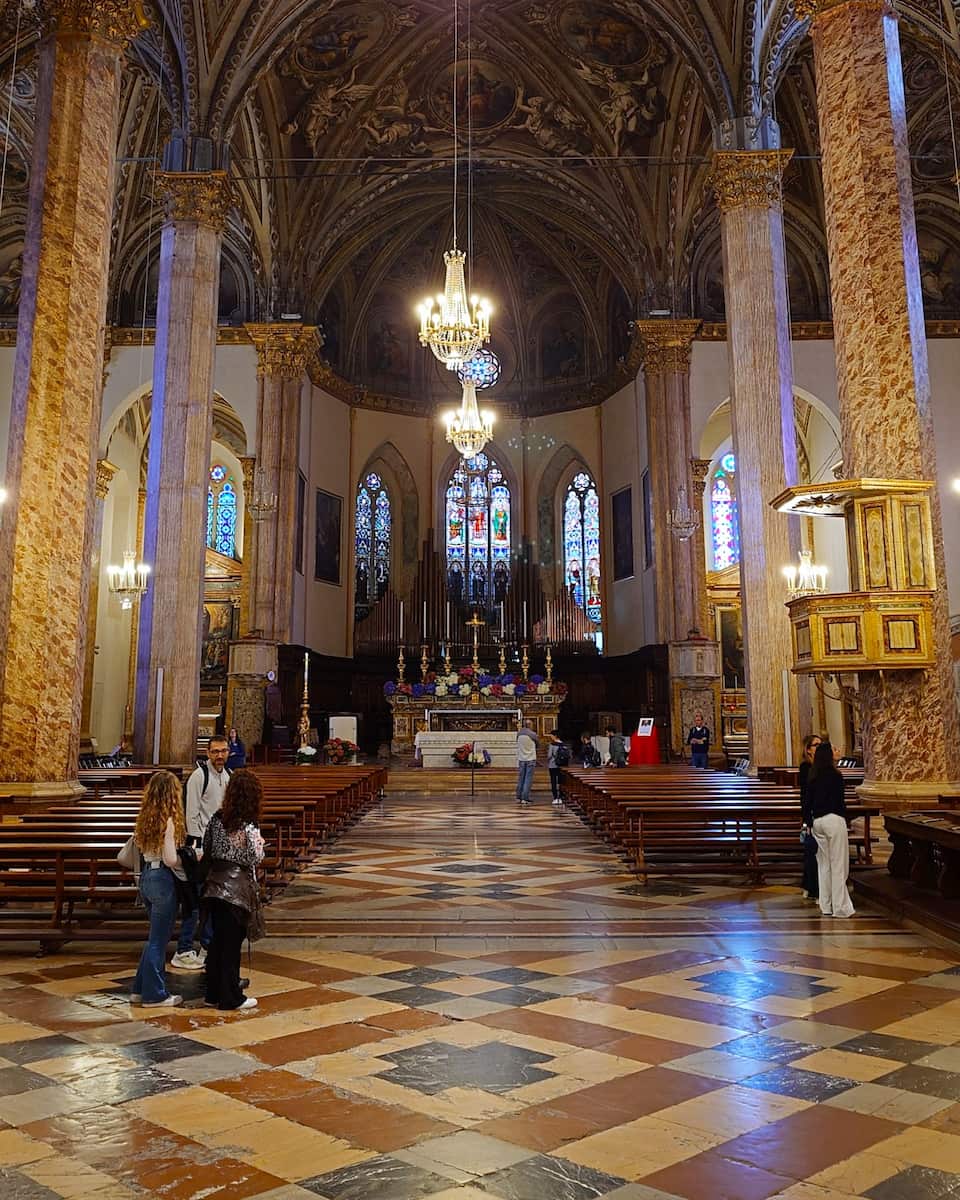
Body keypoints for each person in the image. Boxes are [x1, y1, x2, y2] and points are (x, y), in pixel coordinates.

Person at [201, 769, 266, 1010]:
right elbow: (254, 856)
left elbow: (207, 846)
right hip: (237, 888)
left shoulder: (217, 819)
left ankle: (212, 993)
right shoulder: (248, 824)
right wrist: (261, 848)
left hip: (215, 885)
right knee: (231, 944)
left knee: (218, 942)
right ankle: (230, 997)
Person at [171, 734, 231, 970]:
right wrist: (198, 846)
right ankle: (185, 947)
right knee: (195, 899)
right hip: (200, 849)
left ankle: (207, 945)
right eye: (215, 751)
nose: (219, 755)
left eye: (223, 751)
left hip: (217, 848)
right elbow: (191, 814)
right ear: (207, 753)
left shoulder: (228, 776)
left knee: (210, 899)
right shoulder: (199, 777)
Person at [130, 771, 186, 1008]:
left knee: (154, 937)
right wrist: (189, 860)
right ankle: (155, 994)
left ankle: (139, 990)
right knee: (159, 940)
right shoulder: (169, 821)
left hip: (146, 878)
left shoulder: (145, 817)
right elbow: (171, 859)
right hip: (163, 878)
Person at [803, 741, 855, 919]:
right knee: (839, 865)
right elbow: (840, 802)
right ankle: (840, 907)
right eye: (833, 749)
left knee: (824, 865)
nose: (836, 751)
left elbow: (806, 802)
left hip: (817, 822)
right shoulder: (835, 775)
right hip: (834, 819)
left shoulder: (813, 775)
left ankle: (826, 905)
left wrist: (808, 822)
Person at [798, 733, 822, 901]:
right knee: (811, 851)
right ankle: (810, 885)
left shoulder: (824, 767)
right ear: (808, 750)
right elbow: (806, 795)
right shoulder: (806, 768)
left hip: (824, 814)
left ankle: (818, 886)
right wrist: (807, 820)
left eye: (821, 745)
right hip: (812, 814)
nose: (819, 748)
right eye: (816, 745)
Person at [516, 721, 538, 805]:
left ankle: (518, 796)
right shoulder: (532, 734)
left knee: (521, 778)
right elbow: (538, 744)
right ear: (530, 725)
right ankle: (525, 798)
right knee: (528, 778)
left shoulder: (519, 734)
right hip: (530, 758)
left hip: (521, 758)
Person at [546, 730, 569, 804]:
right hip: (561, 765)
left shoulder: (552, 745)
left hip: (553, 765)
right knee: (561, 781)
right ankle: (561, 797)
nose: (550, 736)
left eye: (551, 735)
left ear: (555, 736)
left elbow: (549, 756)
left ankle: (555, 797)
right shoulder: (563, 744)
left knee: (553, 781)